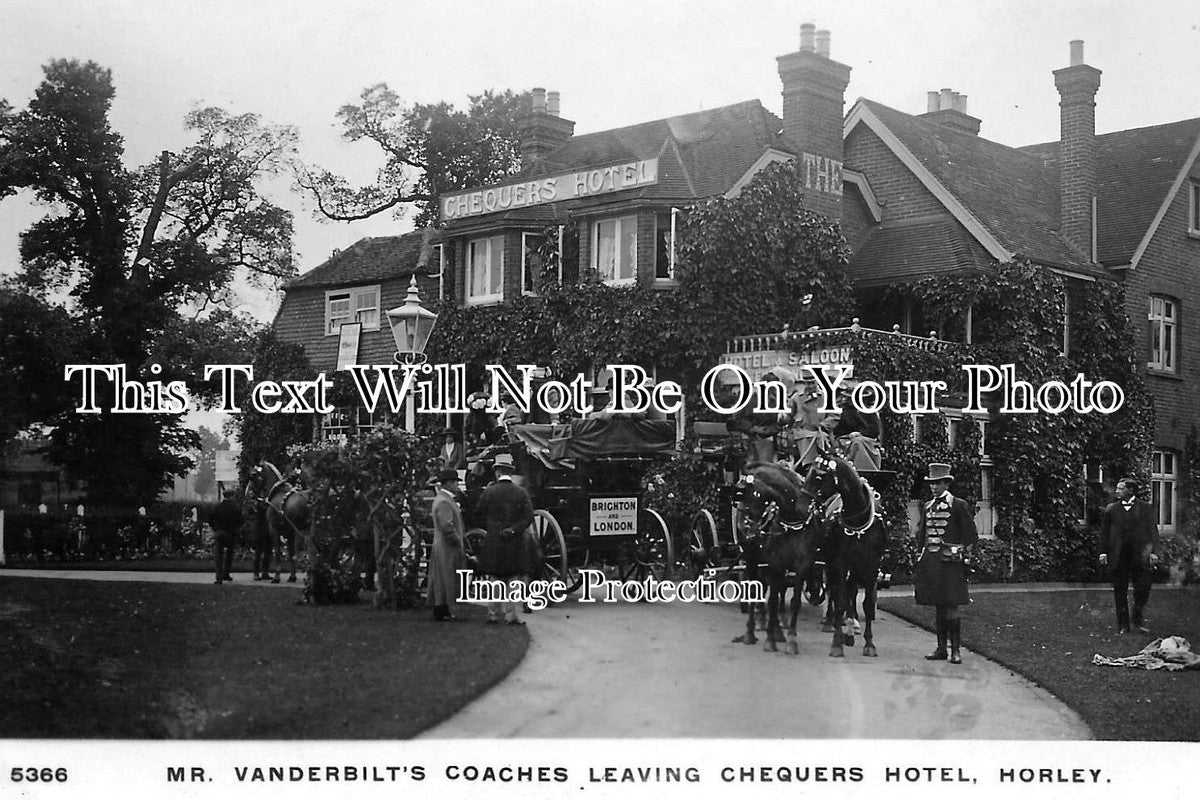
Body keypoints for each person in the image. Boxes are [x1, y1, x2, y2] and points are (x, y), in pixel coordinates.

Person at [914, 463, 978, 664]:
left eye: (938, 483)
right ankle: (941, 648)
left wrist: (963, 555)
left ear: (946, 483)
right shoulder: (927, 506)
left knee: (952, 606)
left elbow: (971, 534)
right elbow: (922, 534)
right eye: (931, 484)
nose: (934, 487)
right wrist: (919, 554)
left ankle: (956, 650)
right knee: (939, 606)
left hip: (951, 563)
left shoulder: (958, 505)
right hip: (933, 564)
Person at [474, 453, 535, 625]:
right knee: (513, 580)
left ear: (498, 472)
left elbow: (478, 512)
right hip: (514, 541)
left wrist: (492, 526)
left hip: (494, 540)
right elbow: (528, 516)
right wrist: (513, 530)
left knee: (495, 579)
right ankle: (511, 616)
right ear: (510, 472)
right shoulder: (521, 493)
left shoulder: (489, 492)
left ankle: (492, 614)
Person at [1099, 476, 1159, 634]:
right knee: (1120, 590)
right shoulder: (1111, 509)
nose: (1117, 491)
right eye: (1117, 488)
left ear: (1130, 490)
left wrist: (1153, 552)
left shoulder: (1145, 508)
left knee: (1142, 589)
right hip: (1118, 556)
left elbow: (1153, 531)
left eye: (1120, 488)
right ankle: (1123, 625)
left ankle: (1137, 621)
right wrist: (1103, 552)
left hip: (1139, 556)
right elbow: (1104, 533)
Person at [428, 469, 467, 621]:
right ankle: (441, 610)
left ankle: (443, 609)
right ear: (449, 483)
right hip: (447, 547)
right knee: (445, 577)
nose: (458, 485)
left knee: (444, 578)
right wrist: (457, 541)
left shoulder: (444, 498)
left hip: (444, 545)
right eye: (456, 482)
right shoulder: (444, 501)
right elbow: (447, 526)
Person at [832, 384, 883, 471]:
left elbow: (875, 430)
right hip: (846, 439)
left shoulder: (870, 411)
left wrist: (860, 433)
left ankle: (865, 469)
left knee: (857, 442)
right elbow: (839, 429)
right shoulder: (845, 411)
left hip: (867, 440)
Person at [209, 488, 243, 584]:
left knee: (219, 556)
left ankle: (218, 577)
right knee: (229, 555)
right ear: (231, 496)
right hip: (231, 533)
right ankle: (226, 574)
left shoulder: (218, 507)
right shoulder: (235, 508)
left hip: (220, 532)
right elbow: (240, 520)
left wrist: (215, 528)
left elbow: (210, 519)